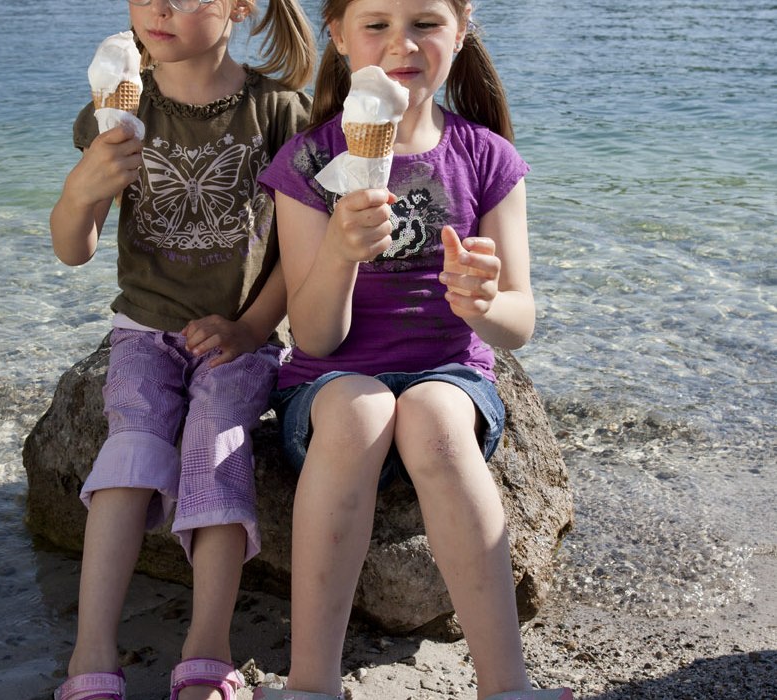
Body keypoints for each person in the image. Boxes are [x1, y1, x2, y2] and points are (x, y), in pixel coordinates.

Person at [255, 1, 573, 699]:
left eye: (425, 22)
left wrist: (485, 304)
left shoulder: (486, 157)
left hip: (449, 372)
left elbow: (518, 322)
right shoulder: (308, 162)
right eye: (375, 24)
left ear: (461, 30)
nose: (401, 42)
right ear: (336, 38)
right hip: (332, 377)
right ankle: (311, 683)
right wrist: (339, 253)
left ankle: (505, 685)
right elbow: (312, 337)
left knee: (433, 418)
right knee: (361, 411)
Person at [49, 1, 314, 699]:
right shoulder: (119, 105)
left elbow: (300, 250)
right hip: (144, 328)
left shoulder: (281, 110)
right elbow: (73, 249)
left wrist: (253, 328)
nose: (158, 11)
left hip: (238, 337)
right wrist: (80, 191)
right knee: (130, 447)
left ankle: (206, 646)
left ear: (239, 7)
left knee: (216, 442)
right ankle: (91, 653)